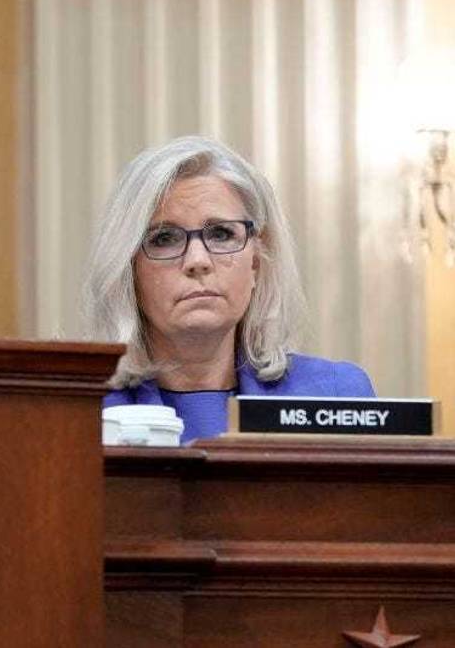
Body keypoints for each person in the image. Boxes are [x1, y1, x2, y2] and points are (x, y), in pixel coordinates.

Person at [83, 136, 374, 443]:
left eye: (221, 234)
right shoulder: (83, 410)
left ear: (256, 260)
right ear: (128, 268)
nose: (197, 261)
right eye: (164, 238)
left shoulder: (334, 395)